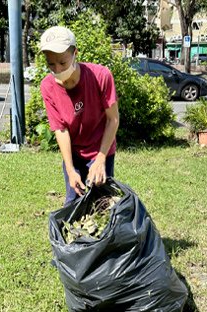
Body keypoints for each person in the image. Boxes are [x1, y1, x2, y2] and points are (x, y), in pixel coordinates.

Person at [39, 26, 119, 205]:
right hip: (74, 153)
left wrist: (100, 159)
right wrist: (70, 169)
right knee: (73, 202)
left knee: (101, 204)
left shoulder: (101, 76)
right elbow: (60, 129)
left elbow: (113, 119)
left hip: (101, 149)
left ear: (75, 53)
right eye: (51, 64)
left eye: (62, 62)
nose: (57, 69)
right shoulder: (48, 87)